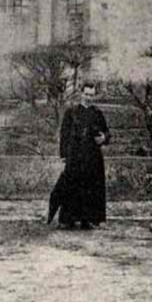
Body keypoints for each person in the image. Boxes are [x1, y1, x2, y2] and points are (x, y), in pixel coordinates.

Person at [47, 82, 110, 230]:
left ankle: (87, 220)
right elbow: (64, 135)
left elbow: (106, 132)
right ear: (81, 94)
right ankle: (67, 219)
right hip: (75, 156)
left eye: (91, 95)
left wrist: (103, 138)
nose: (89, 97)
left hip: (93, 157)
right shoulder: (72, 112)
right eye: (86, 94)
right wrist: (63, 155)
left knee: (90, 189)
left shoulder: (97, 113)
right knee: (71, 187)